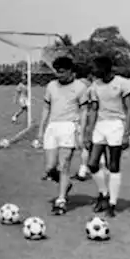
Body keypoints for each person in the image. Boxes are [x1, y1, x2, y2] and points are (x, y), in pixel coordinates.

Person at [82, 54, 130, 217]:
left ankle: (112, 203)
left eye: (96, 68)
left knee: (113, 165)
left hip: (116, 126)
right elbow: (94, 109)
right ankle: (103, 193)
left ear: (105, 68)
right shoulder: (95, 86)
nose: (93, 71)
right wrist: (88, 133)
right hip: (100, 126)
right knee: (92, 164)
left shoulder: (122, 83)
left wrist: (126, 133)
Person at [37, 56, 89, 215]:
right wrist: (41, 129)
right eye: (57, 72)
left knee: (64, 164)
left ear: (71, 71)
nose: (59, 75)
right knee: (50, 168)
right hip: (52, 127)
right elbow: (46, 108)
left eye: (62, 72)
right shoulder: (51, 86)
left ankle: (61, 200)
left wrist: (81, 132)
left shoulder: (80, 87)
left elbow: (84, 111)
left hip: (69, 127)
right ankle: (65, 184)